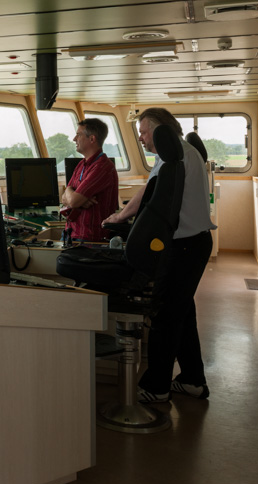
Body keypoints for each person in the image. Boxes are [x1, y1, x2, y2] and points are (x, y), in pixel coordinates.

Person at [103, 108, 216, 403]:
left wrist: (120, 217)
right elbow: (151, 192)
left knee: (165, 316)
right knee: (182, 313)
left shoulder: (175, 156)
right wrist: (124, 216)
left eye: (143, 131)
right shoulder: (178, 153)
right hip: (192, 244)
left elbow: (148, 196)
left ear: (160, 130)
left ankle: (156, 386)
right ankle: (192, 380)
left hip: (185, 247)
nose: (140, 138)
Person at [60, 118, 118, 243]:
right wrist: (71, 192)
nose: (74, 139)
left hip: (89, 239)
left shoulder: (102, 167)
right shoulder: (82, 164)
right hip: (71, 233)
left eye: (79, 135)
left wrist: (74, 198)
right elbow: (64, 198)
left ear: (92, 139)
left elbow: (73, 201)